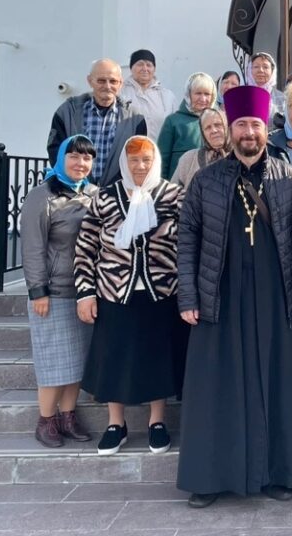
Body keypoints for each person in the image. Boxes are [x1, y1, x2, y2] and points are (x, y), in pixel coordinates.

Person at [176, 86, 292, 508]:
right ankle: (210, 478)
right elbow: (187, 240)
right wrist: (188, 295)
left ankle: (278, 474)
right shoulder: (206, 180)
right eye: (241, 125)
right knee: (217, 387)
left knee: (277, 383)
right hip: (220, 294)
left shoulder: (288, 178)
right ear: (229, 131)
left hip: (273, 296)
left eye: (255, 124)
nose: (249, 132)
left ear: (267, 128)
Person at [75, 136, 187, 456]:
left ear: (156, 162)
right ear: (125, 162)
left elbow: (188, 242)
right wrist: (85, 293)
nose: (140, 166)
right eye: (134, 160)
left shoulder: (172, 195)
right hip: (115, 292)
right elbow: (85, 248)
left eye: (146, 160)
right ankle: (116, 424)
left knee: (157, 359)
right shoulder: (105, 197)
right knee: (115, 359)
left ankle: (156, 422)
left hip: (160, 291)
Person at [21, 134, 98, 448]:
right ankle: (46, 420)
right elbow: (32, 247)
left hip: (84, 292)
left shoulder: (94, 194)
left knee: (76, 360)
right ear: (62, 158)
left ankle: (68, 415)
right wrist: (38, 290)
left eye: (86, 158)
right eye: (74, 157)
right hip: (53, 293)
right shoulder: (42, 195)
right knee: (53, 361)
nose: (81, 164)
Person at [47, 58, 147, 186]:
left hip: (115, 194)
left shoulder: (135, 119)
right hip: (75, 192)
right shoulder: (67, 112)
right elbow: (55, 150)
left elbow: (136, 158)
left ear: (120, 83)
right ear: (90, 81)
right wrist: (74, 182)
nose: (107, 86)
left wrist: (117, 187)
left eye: (113, 81)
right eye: (101, 80)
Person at [157, 72, 216, 180]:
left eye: (207, 94)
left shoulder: (219, 123)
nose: (203, 99)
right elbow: (161, 161)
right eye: (198, 93)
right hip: (180, 189)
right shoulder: (173, 122)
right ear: (188, 95)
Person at [119, 49, 176, 141]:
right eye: (140, 64)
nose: (145, 69)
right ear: (131, 68)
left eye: (149, 65)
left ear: (154, 69)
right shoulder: (120, 92)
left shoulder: (167, 96)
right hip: (129, 150)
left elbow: (174, 127)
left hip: (158, 151)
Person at [171, 107, 230, 189]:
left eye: (218, 125)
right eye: (208, 128)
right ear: (203, 133)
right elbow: (172, 194)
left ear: (227, 127)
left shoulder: (242, 157)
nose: (213, 130)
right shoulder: (188, 158)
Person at [247, 51, 287, 118]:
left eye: (265, 67)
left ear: (272, 71)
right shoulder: (242, 96)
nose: (261, 70)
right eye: (256, 66)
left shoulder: (282, 99)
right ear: (250, 70)